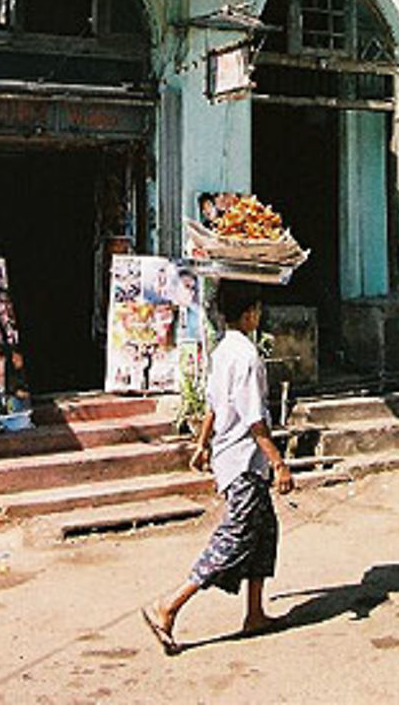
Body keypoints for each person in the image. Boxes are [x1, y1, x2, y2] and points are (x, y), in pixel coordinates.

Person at [141, 279, 293, 655]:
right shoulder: (245, 356)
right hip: (244, 461)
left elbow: (213, 405)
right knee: (232, 539)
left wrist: (202, 443)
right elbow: (254, 418)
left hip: (234, 457)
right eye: (257, 308)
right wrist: (279, 463)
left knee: (265, 532)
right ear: (250, 312)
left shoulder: (224, 350)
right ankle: (169, 606)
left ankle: (255, 613)